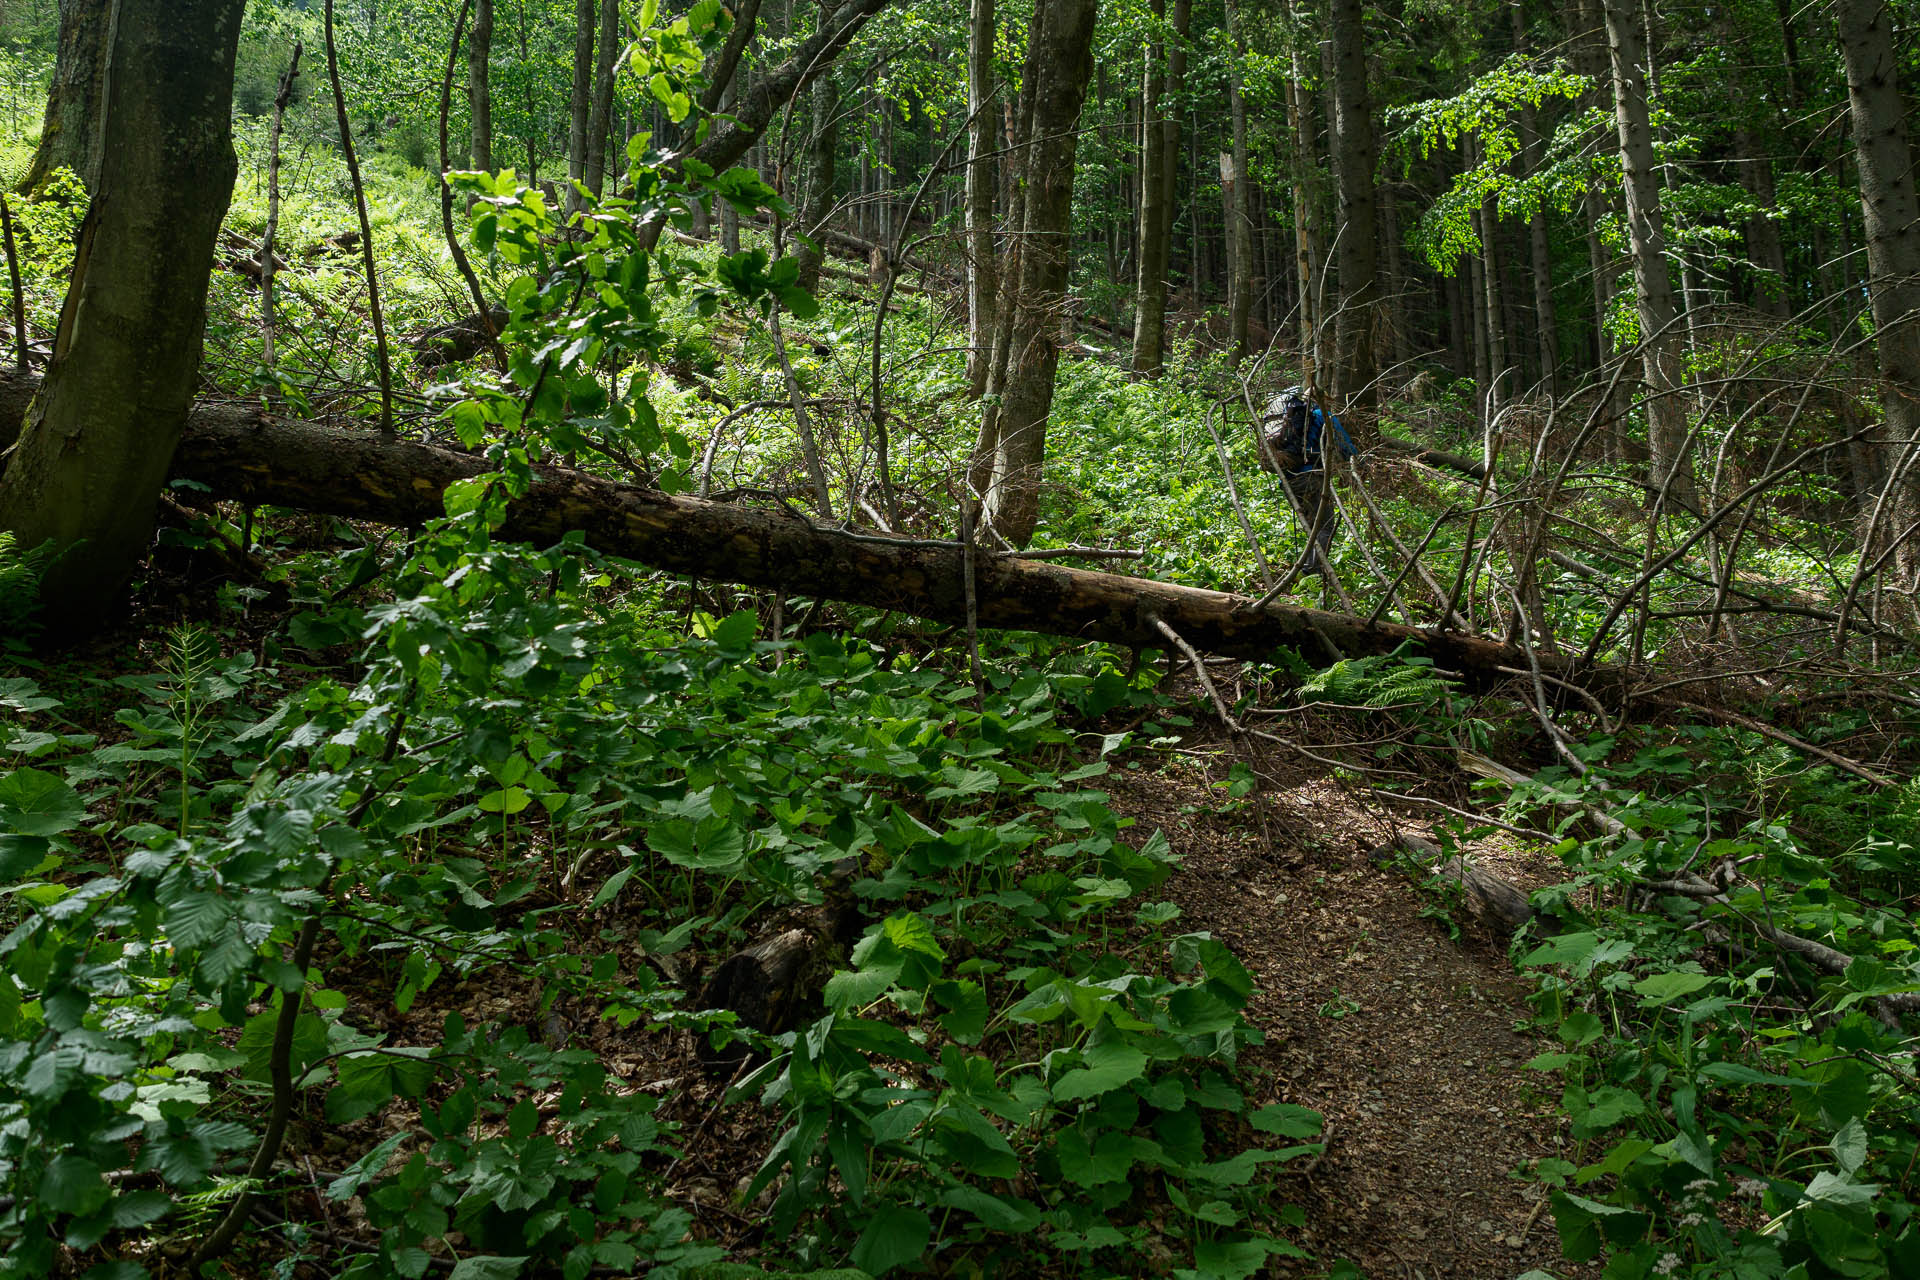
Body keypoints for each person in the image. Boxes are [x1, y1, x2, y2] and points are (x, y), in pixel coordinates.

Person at [1255, 386, 1357, 574]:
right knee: (1325, 526)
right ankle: (1313, 573)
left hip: (1289, 480)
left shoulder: (1292, 419)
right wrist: (1358, 463)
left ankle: (1306, 569)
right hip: (1311, 477)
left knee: (1313, 526)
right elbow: (1345, 445)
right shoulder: (1321, 415)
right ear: (1322, 400)